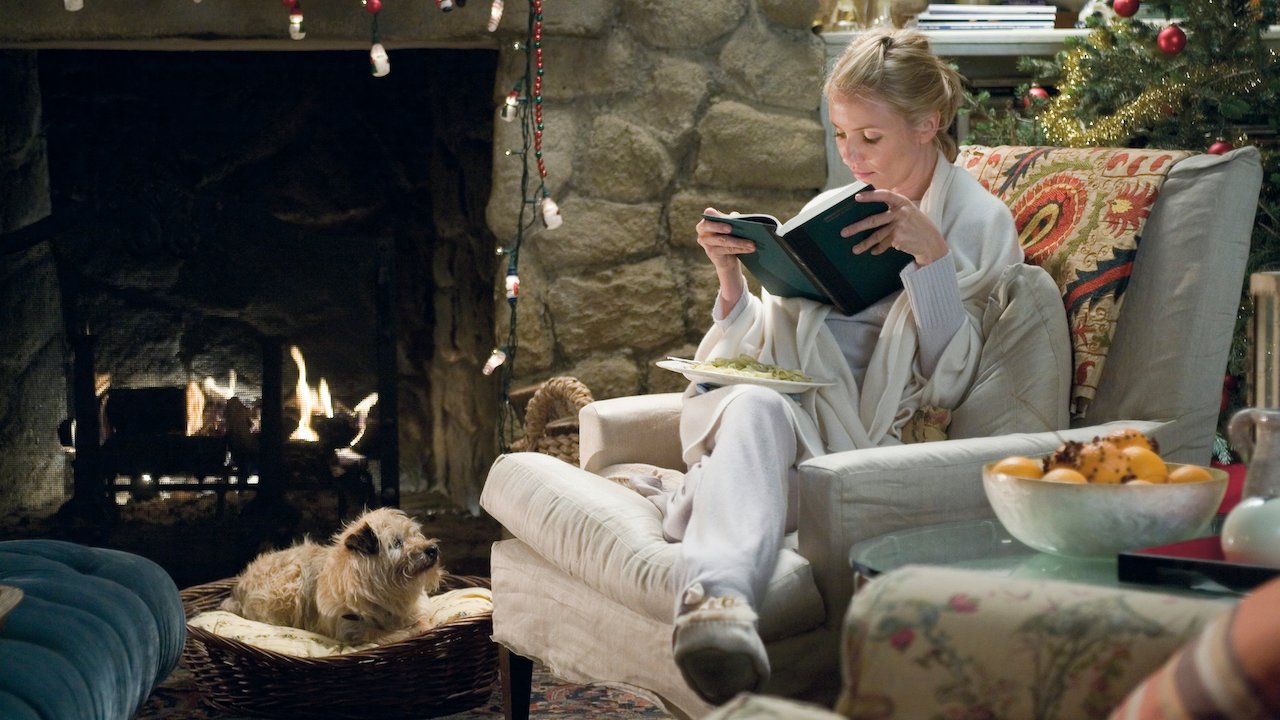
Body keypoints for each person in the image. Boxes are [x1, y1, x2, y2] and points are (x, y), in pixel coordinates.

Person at [628, 28, 1025, 705]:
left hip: (867, 444)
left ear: (929, 123)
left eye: (870, 137)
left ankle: (717, 592)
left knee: (758, 414)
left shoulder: (980, 224)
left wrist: (932, 263)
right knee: (754, 404)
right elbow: (770, 333)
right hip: (791, 417)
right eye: (841, 136)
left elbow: (953, 381)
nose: (852, 155)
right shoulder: (827, 211)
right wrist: (731, 282)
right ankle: (717, 613)